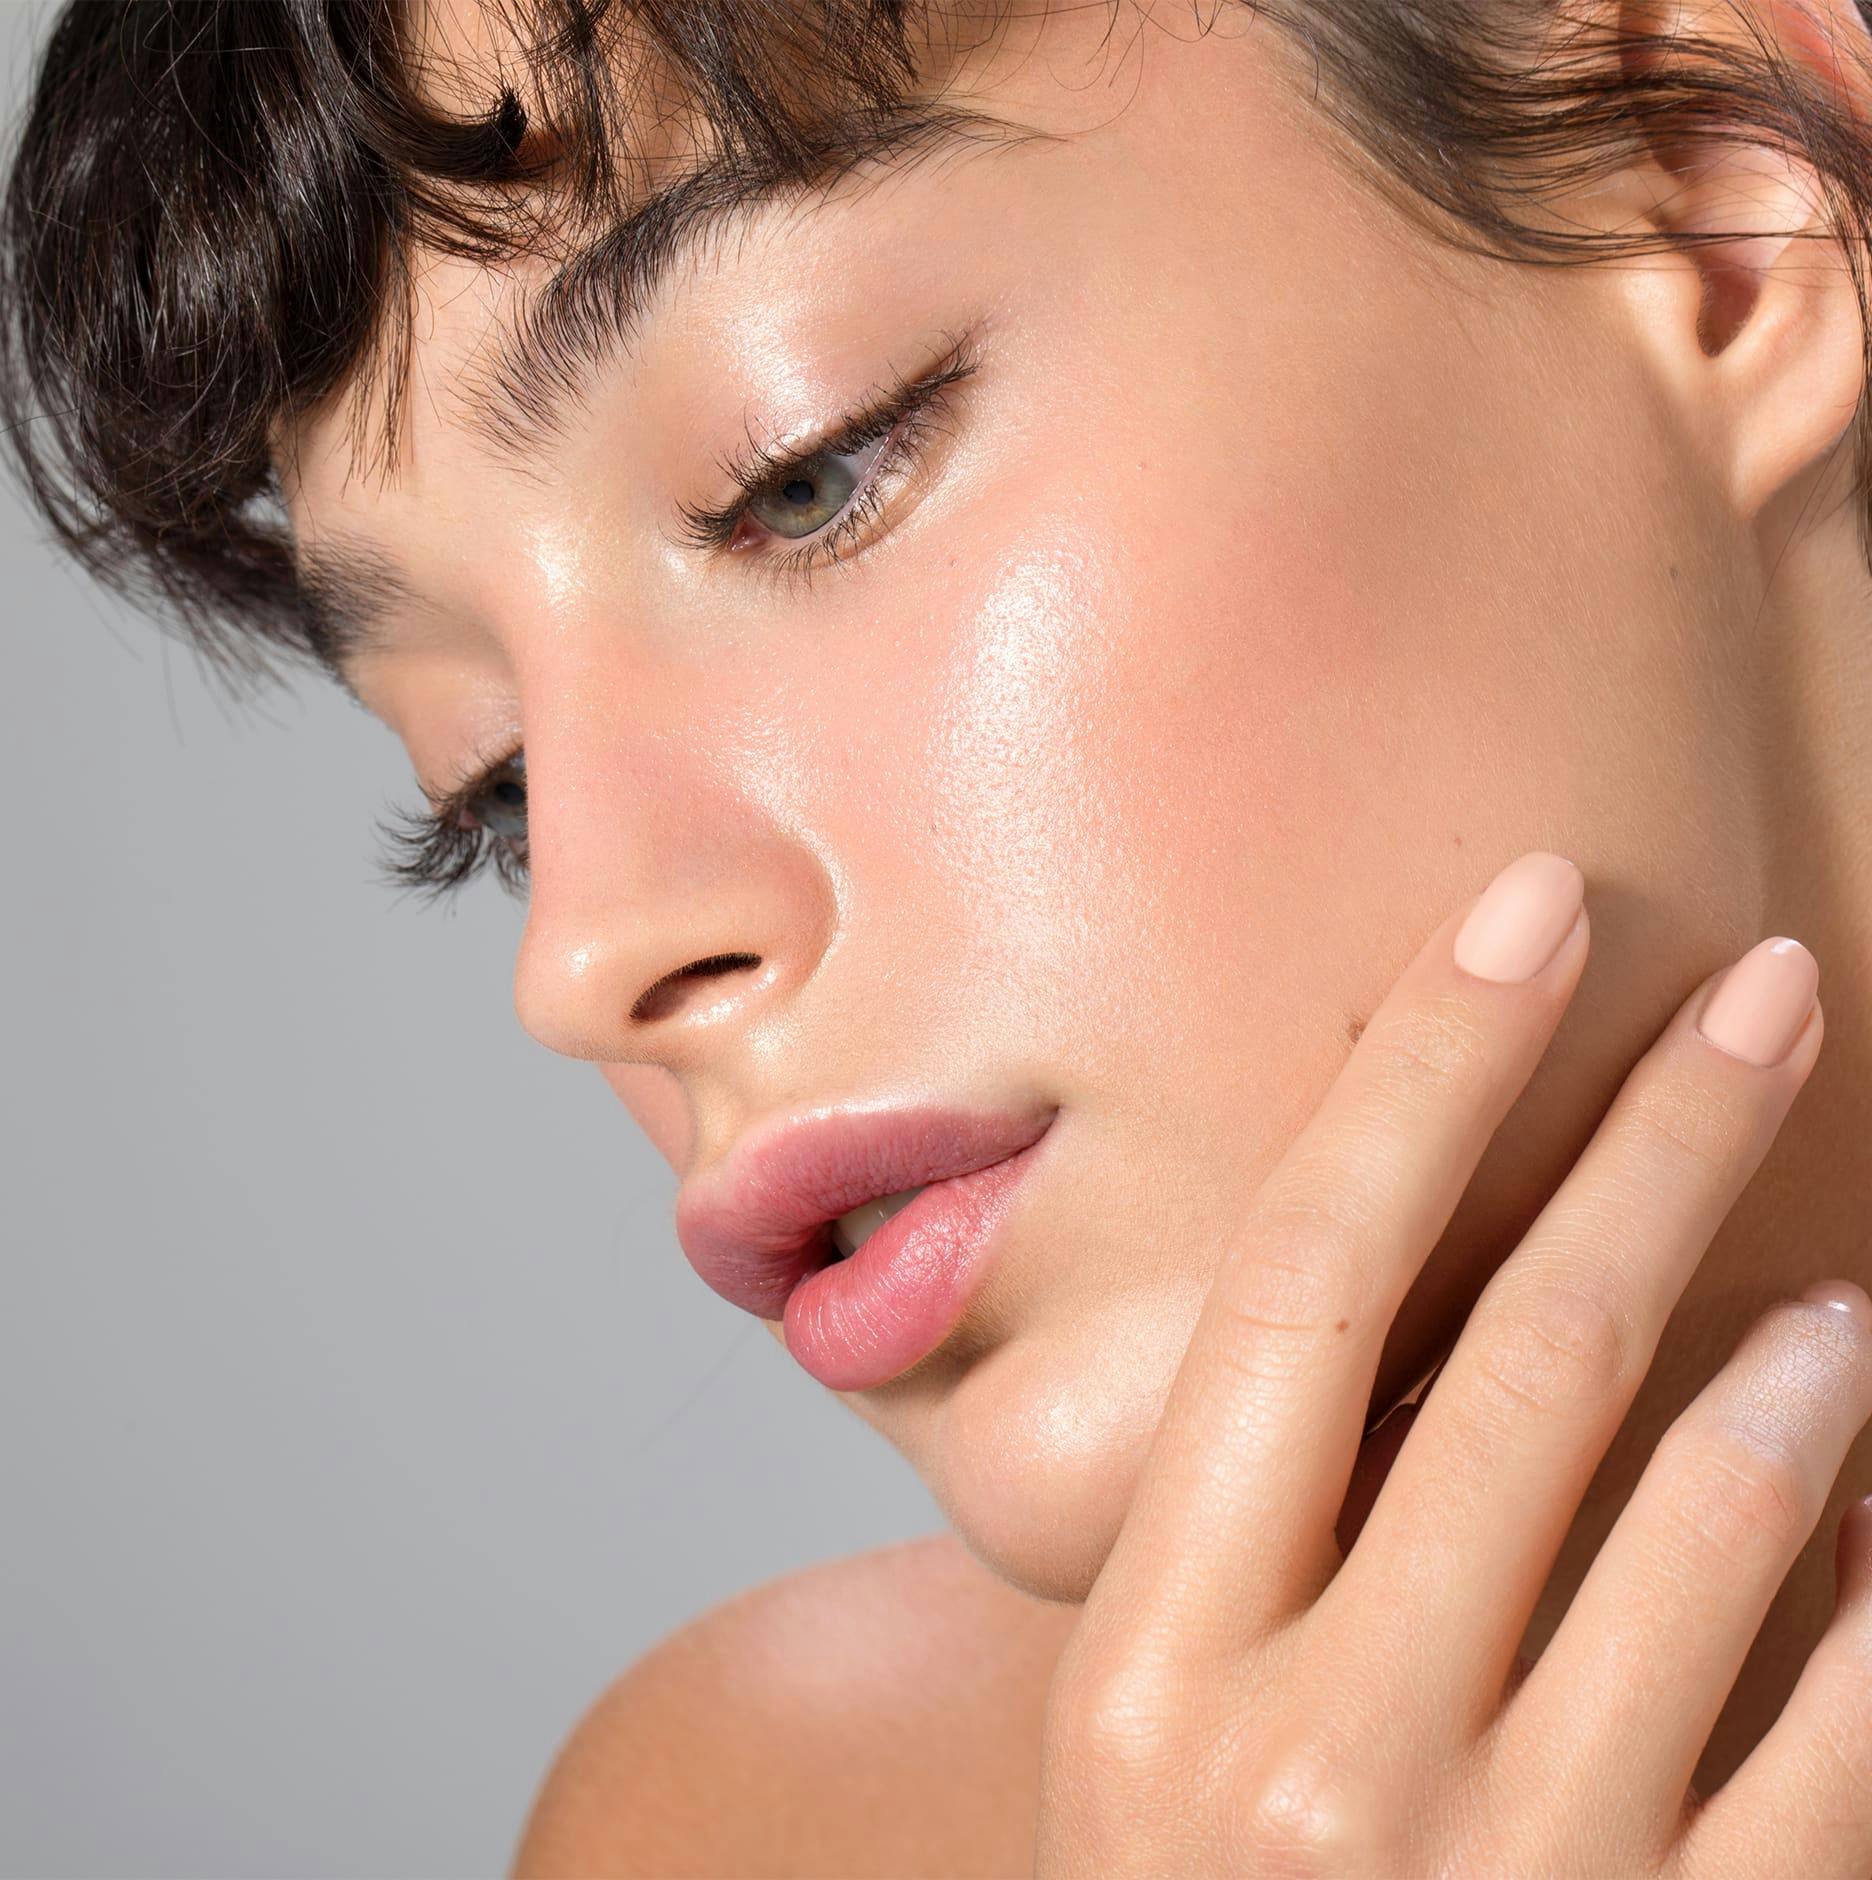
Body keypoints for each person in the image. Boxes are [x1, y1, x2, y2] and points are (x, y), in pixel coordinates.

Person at [6, 0, 1872, 1871]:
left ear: (1713, 217)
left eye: (800, 474)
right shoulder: (755, 1826)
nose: (581, 954)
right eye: (488, 784)